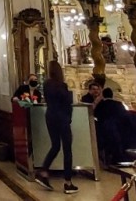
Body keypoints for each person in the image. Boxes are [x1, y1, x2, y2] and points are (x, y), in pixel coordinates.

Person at [35, 61, 78, 194]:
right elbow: (68, 103)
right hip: (62, 118)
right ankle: (68, 182)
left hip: (50, 117)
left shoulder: (47, 84)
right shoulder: (61, 86)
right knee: (67, 150)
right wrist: (69, 119)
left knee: (55, 146)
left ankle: (43, 171)